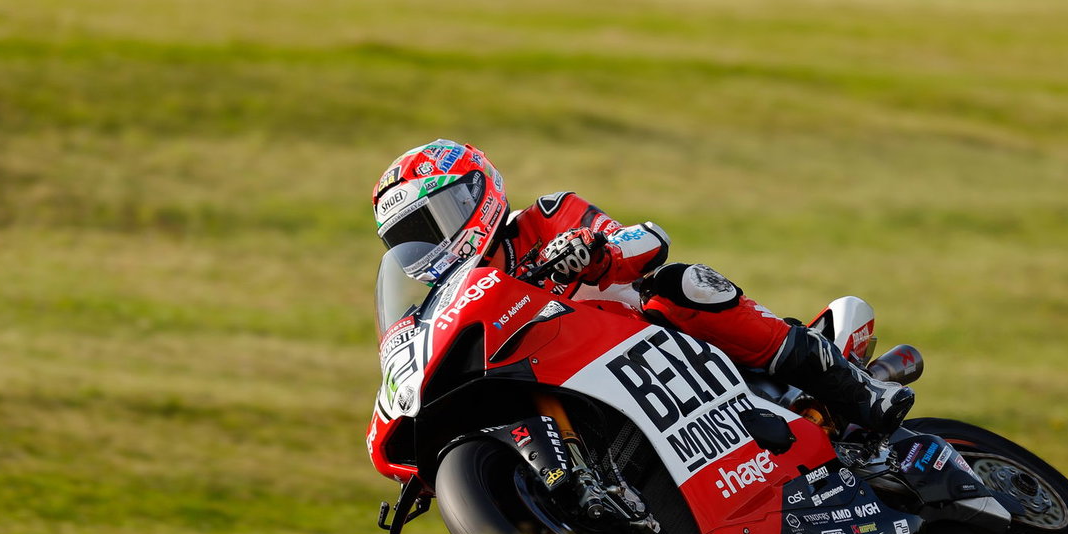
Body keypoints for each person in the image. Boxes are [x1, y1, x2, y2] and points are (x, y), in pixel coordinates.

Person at [372, 139, 914, 433]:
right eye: (410, 238)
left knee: (681, 285)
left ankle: (853, 387)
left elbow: (647, 241)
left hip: (651, 346)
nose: (431, 243)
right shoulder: (446, 307)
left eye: (436, 220)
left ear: (476, 194)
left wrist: (595, 251)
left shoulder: (547, 217)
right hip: (578, 385)